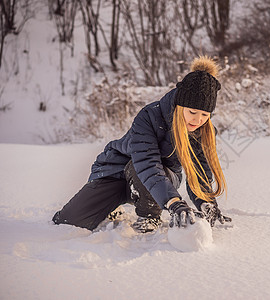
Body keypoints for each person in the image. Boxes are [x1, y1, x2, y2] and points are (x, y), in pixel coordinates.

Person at [52, 56, 231, 233]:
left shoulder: (203, 132)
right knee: (68, 221)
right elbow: (147, 162)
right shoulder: (149, 117)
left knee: (143, 170)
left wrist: (206, 203)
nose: (198, 120)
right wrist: (174, 202)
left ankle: (150, 214)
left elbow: (199, 172)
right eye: (192, 112)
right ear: (179, 105)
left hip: (158, 181)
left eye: (205, 115)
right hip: (117, 173)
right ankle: (112, 207)